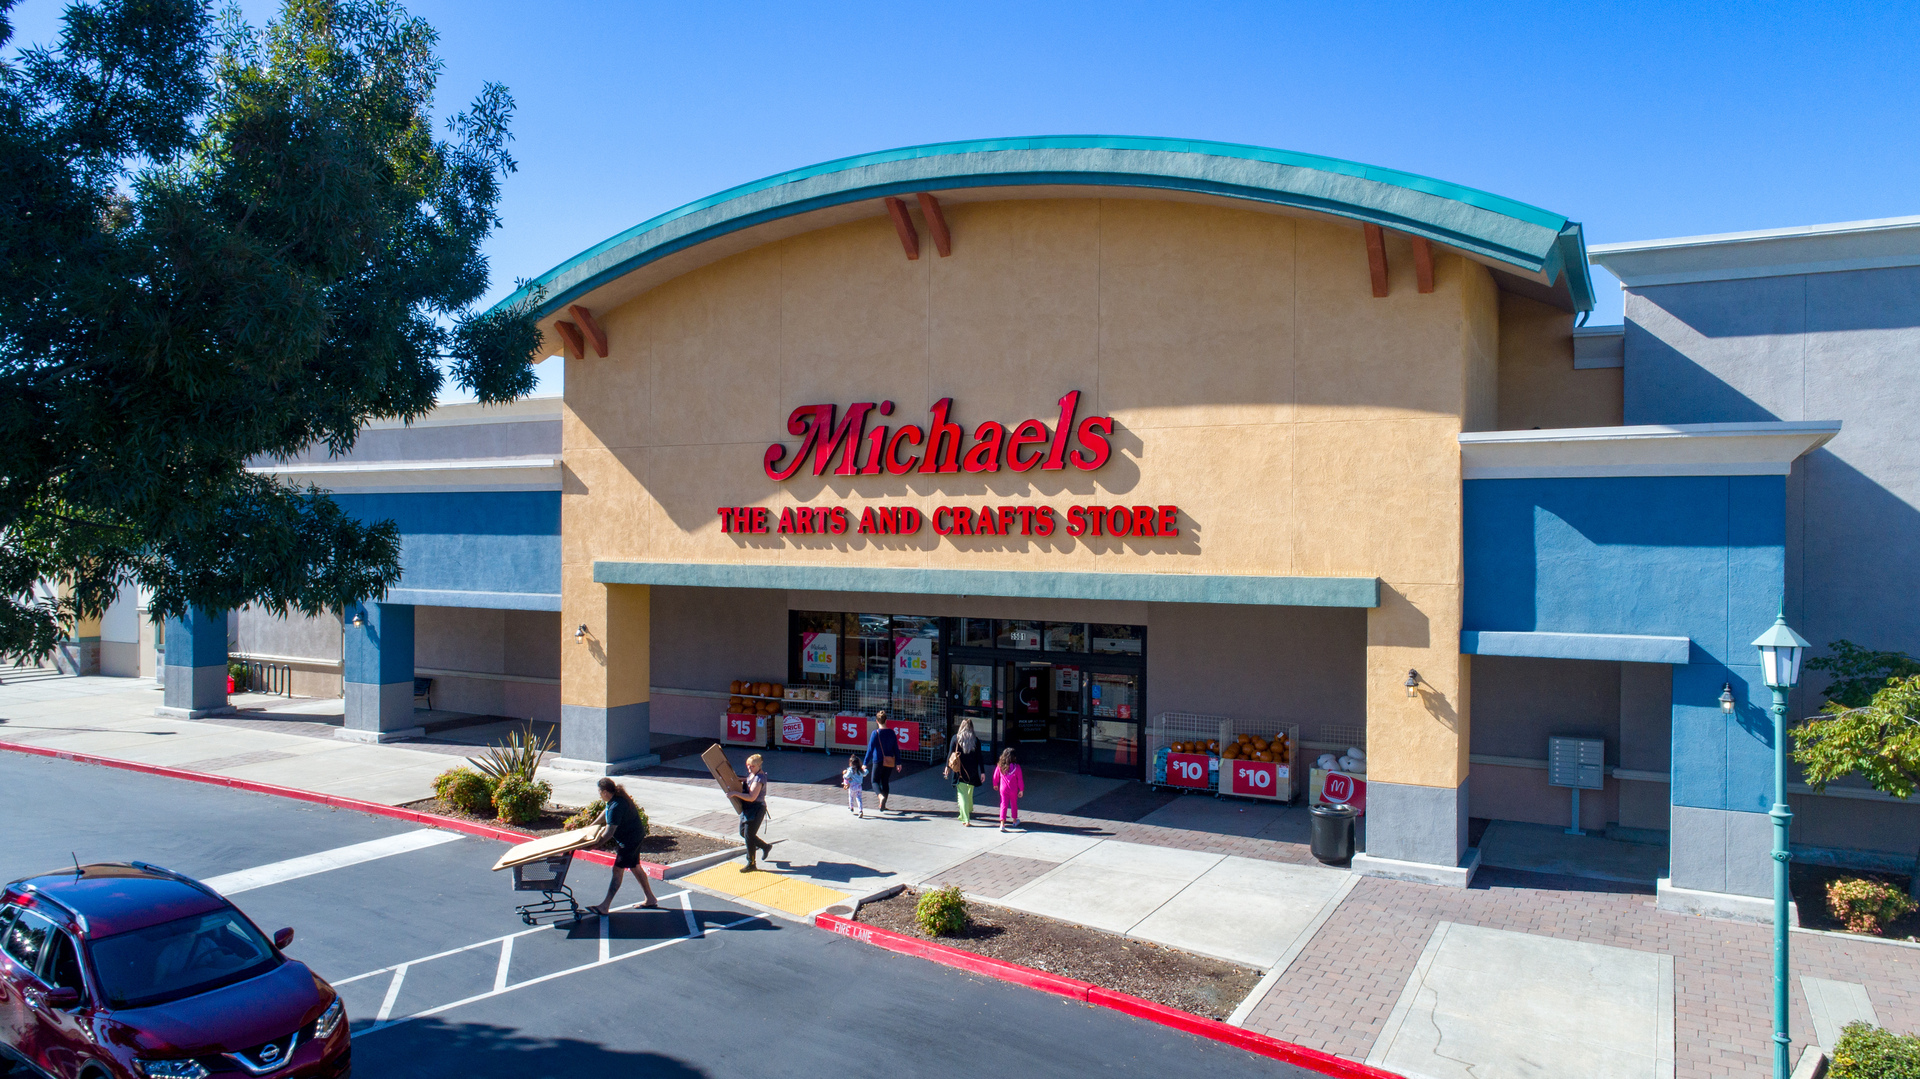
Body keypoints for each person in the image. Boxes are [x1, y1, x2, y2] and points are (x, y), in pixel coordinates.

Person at [587, 778, 658, 915]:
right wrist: (592, 826)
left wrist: (595, 845)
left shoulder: (617, 806)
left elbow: (609, 833)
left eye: (599, 792)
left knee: (617, 870)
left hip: (629, 841)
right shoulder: (614, 800)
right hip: (635, 836)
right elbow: (605, 812)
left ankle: (604, 906)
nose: (599, 794)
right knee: (635, 867)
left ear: (606, 792)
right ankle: (650, 898)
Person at [944, 717, 985, 826]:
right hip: (972, 770)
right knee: (969, 792)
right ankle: (967, 810)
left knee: (962, 794)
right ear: (972, 727)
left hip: (960, 770)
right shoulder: (976, 740)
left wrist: (947, 767)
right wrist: (982, 772)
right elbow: (980, 757)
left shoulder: (955, 738)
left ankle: (965, 818)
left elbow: (950, 754)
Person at [737, 753, 774, 869]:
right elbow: (749, 780)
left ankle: (751, 863)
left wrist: (734, 794)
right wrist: (739, 780)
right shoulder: (753, 775)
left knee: (749, 835)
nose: (749, 768)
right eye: (748, 765)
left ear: (759, 765)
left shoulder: (759, 778)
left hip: (757, 809)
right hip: (749, 808)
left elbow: (752, 797)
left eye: (752, 766)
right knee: (743, 833)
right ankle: (765, 846)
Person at [864, 713, 901, 812]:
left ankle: (880, 796)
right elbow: (896, 749)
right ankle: (883, 805)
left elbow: (870, 750)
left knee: (874, 781)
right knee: (885, 781)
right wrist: (898, 762)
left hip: (878, 760)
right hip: (889, 761)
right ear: (886, 720)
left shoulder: (875, 733)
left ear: (877, 721)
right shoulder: (892, 733)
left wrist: (865, 763)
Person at [993, 747, 1025, 832]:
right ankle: (1014, 821)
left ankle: (1002, 824)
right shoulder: (1017, 767)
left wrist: (995, 784)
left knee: (1003, 804)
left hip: (1003, 789)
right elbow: (1020, 779)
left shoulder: (1000, 766)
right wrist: (1021, 789)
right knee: (1014, 804)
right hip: (1013, 789)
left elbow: (995, 776)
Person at [842, 753, 867, 818]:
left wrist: (844, 776)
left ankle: (851, 807)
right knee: (859, 798)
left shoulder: (851, 770)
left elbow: (847, 776)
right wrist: (865, 769)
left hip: (852, 786)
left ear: (851, 763)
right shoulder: (860, 770)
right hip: (859, 786)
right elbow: (865, 773)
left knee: (851, 796)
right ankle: (860, 810)